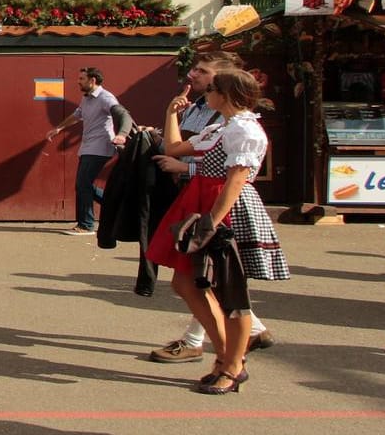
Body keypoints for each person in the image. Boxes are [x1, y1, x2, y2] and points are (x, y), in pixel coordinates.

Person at [144, 65, 286, 395]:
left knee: (229, 290)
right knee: (187, 282)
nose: (206, 94)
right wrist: (171, 114)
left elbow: (237, 179)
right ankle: (226, 356)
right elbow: (174, 148)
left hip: (225, 207)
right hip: (206, 200)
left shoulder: (244, 130)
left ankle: (232, 364)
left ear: (224, 94)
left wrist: (211, 221)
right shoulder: (225, 126)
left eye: (211, 90)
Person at [43, 67, 132, 237]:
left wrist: (122, 134)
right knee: (84, 185)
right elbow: (77, 115)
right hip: (88, 147)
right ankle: (119, 206)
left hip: (100, 147)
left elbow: (124, 115)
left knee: (82, 184)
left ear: (92, 80)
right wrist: (59, 128)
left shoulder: (106, 98)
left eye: (82, 79)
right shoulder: (87, 98)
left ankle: (86, 225)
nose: (78, 81)